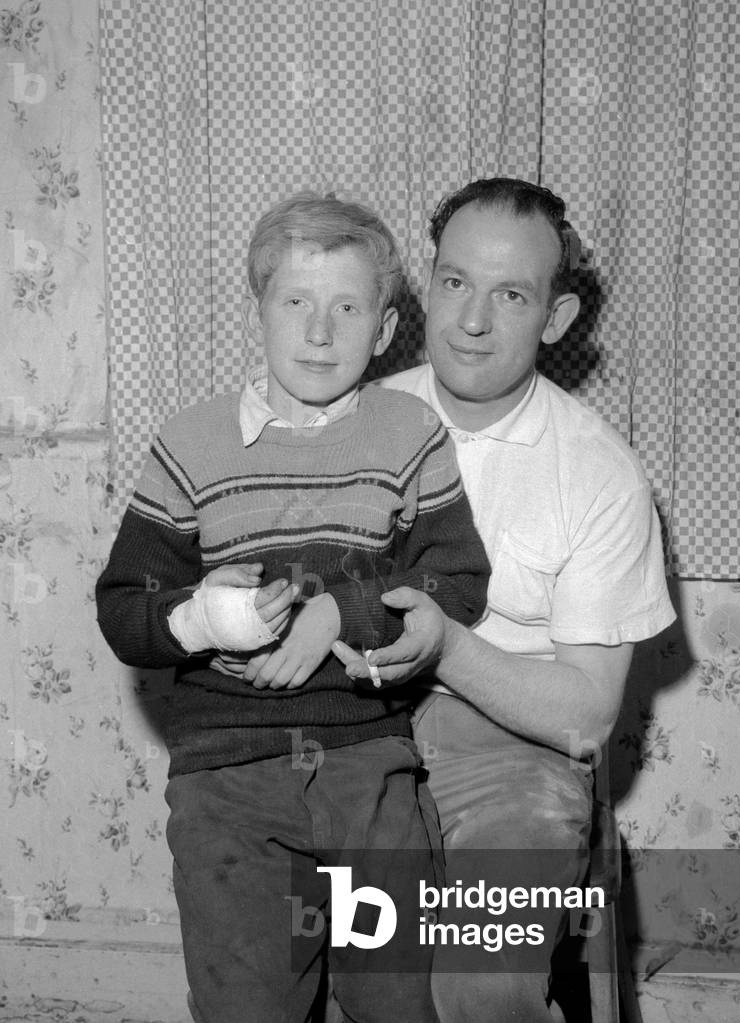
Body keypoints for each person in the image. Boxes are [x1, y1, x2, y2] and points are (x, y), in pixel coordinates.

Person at [95, 194, 491, 1023]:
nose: (318, 331)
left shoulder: (409, 434)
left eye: (347, 308)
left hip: (368, 769)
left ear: (384, 329)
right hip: (227, 780)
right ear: (260, 310)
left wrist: (342, 613)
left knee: (398, 1002)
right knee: (248, 1005)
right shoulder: (190, 443)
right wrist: (203, 617)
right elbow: (125, 609)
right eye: (296, 302)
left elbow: (456, 582)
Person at [332, 178, 676, 1022]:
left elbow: (586, 717)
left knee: (481, 979)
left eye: (510, 295)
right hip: (356, 733)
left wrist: (446, 646)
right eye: (454, 282)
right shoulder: (349, 422)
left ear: (555, 318)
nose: (472, 321)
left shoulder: (598, 472)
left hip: (514, 761)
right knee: (337, 966)